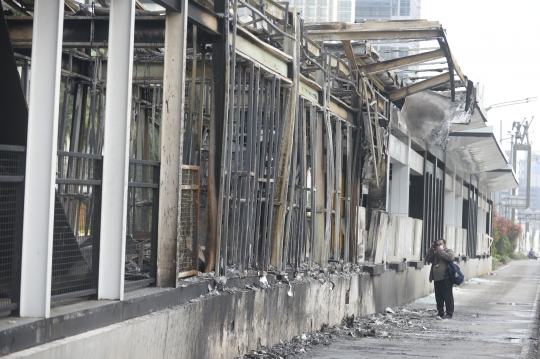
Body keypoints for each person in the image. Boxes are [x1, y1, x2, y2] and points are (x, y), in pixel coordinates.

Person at [425, 238, 455, 319]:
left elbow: (450, 258)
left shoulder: (449, 251)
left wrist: (439, 250)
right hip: (437, 278)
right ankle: (440, 312)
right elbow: (427, 259)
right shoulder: (435, 253)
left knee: (448, 296)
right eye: (438, 244)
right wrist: (431, 248)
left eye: (440, 244)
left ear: (444, 245)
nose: (439, 246)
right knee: (438, 297)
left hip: (446, 278)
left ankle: (449, 313)